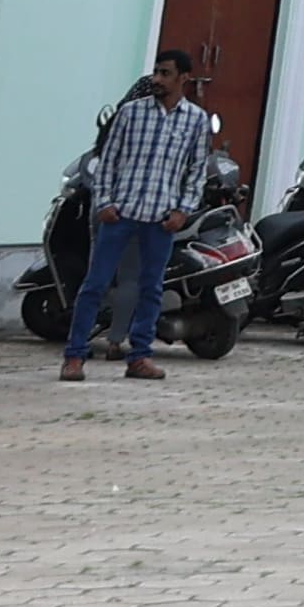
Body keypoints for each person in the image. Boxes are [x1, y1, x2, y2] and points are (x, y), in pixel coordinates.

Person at [64, 47, 212, 384]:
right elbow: (109, 161)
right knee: (95, 284)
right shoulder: (131, 113)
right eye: (156, 72)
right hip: (121, 214)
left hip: (160, 219)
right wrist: (105, 203)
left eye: (165, 73)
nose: (157, 80)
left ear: (183, 78)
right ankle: (74, 356)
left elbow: (196, 170)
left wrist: (182, 210)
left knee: (151, 289)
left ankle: (140, 357)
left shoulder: (196, 121)